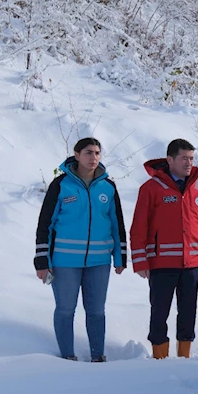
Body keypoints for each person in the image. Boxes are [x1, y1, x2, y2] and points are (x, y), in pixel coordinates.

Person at [34, 137, 127, 362]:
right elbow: (45, 223)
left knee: (96, 311)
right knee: (65, 309)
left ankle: (98, 356)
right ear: (76, 155)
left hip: (99, 262)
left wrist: (121, 257)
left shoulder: (108, 187)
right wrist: (41, 261)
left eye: (97, 153)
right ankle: (68, 356)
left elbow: (117, 223)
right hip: (64, 262)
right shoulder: (61, 185)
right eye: (88, 152)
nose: (93, 157)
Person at [130, 139, 198, 359]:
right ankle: (160, 357)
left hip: (192, 264)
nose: (189, 163)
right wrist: (140, 261)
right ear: (170, 160)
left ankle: (184, 357)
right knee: (159, 314)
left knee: (188, 313)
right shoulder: (151, 188)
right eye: (184, 158)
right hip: (161, 264)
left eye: (191, 158)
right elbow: (139, 227)